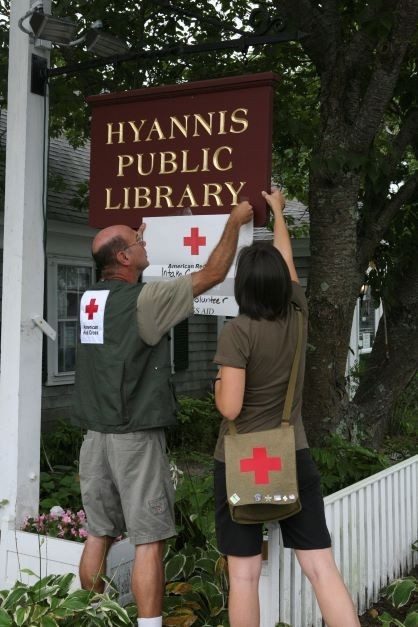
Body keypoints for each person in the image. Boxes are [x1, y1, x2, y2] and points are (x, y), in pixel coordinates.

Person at [72, 201, 253, 627]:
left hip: (94, 436)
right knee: (148, 540)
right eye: (137, 242)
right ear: (123, 258)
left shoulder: (90, 299)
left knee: (98, 531)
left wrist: (129, 237)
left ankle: (93, 617)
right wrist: (234, 222)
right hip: (134, 435)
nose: (144, 242)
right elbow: (211, 275)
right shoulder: (146, 301)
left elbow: (119, 324)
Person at [213, 188, 360, 627]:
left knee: (243, 575)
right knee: (320, 568)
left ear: (241, 286)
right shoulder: (297, 314)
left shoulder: (236, 333)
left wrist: (218, 379)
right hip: (292, 456)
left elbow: (231, 408)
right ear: (280, 285)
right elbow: (287, 261)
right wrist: (278, 211)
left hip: (240, 463)